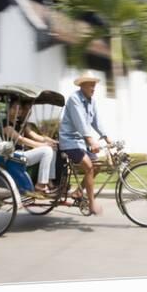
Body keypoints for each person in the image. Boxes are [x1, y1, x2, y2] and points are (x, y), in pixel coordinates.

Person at [59, 71, 112, 215]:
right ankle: (92, 204)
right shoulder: (74, 99)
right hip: (69, 141)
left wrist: (106, 137)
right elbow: (80, 123)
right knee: (89, 166)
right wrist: (91, 140)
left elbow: (96, 121)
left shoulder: (92, 101)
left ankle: (78, 192)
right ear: (82, 85)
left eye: (94, 85)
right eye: (90, 85)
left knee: (97, 166)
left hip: (81, 142)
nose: (93, 88)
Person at [3, 100, 58, 195]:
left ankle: (48, 181)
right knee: (46, 150)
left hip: (23, 154)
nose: (18, 111)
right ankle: (40, 185)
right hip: (14, 155)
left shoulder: (21, 124)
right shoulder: (6, 125)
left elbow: (35, 136)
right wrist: (43, 145)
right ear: (8, 109)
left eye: (20, 108)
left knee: (52, 149)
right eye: (15, 108)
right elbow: (21, 140)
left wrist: (53, 142)